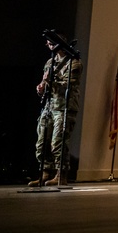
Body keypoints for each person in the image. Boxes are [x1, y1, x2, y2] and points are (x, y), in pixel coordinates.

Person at [29, 32, 82, 186]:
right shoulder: (49, 62)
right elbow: (44, 83)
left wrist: (50, 82)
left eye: (51, 42)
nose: (49, 45)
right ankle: (45, 172)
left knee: (57, 142)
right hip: (49, 106)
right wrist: (41, 87)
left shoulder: (74, 62)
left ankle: (61, 174)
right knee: (41, 142)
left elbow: (69, 85)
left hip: (64, 107)